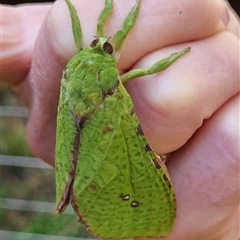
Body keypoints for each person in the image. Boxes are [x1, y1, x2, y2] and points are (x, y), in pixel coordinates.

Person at [1, 0, 239, 239]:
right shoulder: (104, 82)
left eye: (98, 44)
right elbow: (149, 69)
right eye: (101, 44)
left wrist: (74, 6)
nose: (103, 42)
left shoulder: (72, 68)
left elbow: (76, 19)